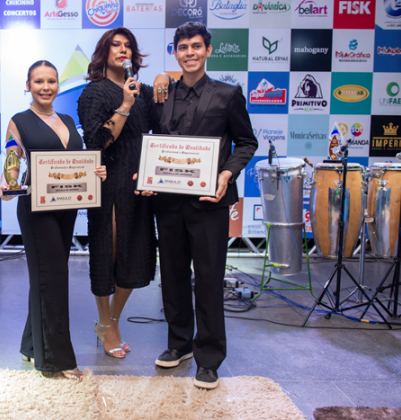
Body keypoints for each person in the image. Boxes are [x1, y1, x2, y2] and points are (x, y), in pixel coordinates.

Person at [144, 22, 258, 389]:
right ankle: (179, 344)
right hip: (168, 202)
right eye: (183, 47)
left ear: (208, 50)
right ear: (175, 53)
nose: (189, 52)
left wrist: (227, 173)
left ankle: (209, 359)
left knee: (208, 280)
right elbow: (150, 142)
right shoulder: (159, 94)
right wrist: (145, 175)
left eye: (196, 46)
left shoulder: (228, 94)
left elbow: (247, 142)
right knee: (173, 276)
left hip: (210, 203)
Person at [0, 60, 107, 381]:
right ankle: (55, 360)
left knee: (47, 277)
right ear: (28, 86)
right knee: (54, 277)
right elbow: (11, 158)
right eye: (39, 81)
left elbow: (76, 162)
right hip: (37, 209)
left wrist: (96, 171)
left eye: (51, 81)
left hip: (67, 206)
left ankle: (32, 345)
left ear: (58, 85)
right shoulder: (19, 121)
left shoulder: (68, 120)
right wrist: (8, 181)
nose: (46, 87)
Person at [77, 28, 172, 359]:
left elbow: (162, 121)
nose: (123, 50)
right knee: (109, 253)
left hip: (138, 183)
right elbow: (98, 142)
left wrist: (163, 76)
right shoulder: (94, 92)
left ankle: (112, 321)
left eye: (128, 45)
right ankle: (104, 322)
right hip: (108, 182)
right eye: (115, 45)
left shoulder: (142, 90)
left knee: (135, 254)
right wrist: (126, 104)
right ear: (104, 52)